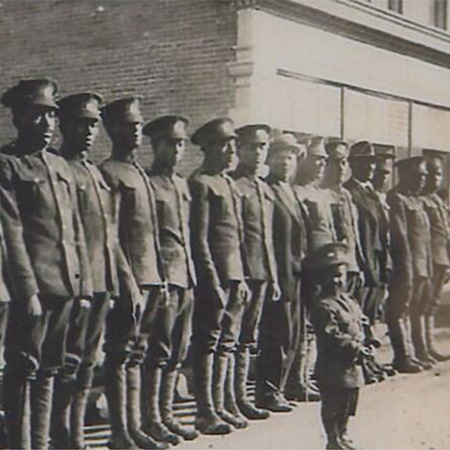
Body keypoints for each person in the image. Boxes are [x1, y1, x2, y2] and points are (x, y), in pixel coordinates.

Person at [0, 79, 92, 449]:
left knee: (51, 370)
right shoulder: (8, 165)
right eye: (38, 115)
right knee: (24, 369)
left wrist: (82, 285)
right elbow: (12, 232)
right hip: (36, 290)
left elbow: (76, 231)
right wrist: (28, 291)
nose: (48, 123)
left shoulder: (60, 165)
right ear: (19, 117)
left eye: (52, 115)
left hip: (66, 286)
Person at [52, 92, 135, 449]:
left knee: (87, 362)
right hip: (75, 284)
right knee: (65, 363)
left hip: (102, 281)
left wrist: (121, 280)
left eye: (92, 125)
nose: (88, 132)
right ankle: (61, 434)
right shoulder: (61, 169)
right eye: (80, 124)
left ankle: (77, 436)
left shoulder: (97, 174)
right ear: (64, 126)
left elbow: (110, 235)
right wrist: (82, 285)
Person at [100, 97, 168, 449]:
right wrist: (127, 283)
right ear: (111, 129)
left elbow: (152, 232)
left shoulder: (139, 172)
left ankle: (136, 426)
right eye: (129, 125)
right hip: (130, 280)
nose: (137, 130)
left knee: (139, 352)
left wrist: (161, 278)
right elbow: (111, 236)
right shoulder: (109, 172)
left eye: (139, 124)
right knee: (120, 352)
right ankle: (119, 432)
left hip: (152, 276)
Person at [189, 118, 250, 434]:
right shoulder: (200, 183)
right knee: (208, 343)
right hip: (215, 278)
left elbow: (237, 237)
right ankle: (205, 411)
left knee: (228, 342)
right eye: (223, 145)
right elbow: (199, 239)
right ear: (208, 149)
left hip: (234, 275)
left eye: (232, 145)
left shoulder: (228, 183)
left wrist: (241, 277)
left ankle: (224, 404)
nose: (230, 151)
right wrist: (211, 281)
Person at [142, 115, 198, 442]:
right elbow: (148, 235)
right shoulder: (149, 183)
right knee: (158, 350)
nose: (177, 150)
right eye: (171, 143)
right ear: (156, 145)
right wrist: (159, 278)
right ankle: (151, 418)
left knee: (178, 349)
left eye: (181, 143)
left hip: (185, 277)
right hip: (163, 278)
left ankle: (166, 413)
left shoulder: (181, 184)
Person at [255, 133, 307, 412]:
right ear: (270, 160)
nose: (286, 162)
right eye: (280, 156)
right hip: (278, 273)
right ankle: (268, 391)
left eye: (291, 157)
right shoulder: (268, 190)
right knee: (276, 334)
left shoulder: (291, 190)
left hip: (297, 273)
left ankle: (286, 386)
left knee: (294, 333)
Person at [232, 124, 279, 420]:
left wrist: (273, 276)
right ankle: (232, 399)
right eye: (252, 147)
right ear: (239, 150)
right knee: (233, 337)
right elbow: (234, 236)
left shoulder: (263, 188)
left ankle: (241, 398)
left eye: (263, 147)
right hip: (244, 273)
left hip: (262, 273)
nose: (259, 152)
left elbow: (267, 239)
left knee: (249, 338)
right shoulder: (234, 186)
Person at [308, 241, 368, 450]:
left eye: (340, 275)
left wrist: (368, 340)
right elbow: (331, 335)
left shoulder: (349, 301)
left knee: (348, 403)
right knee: (333, 404)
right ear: (321, 279)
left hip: (351, 366)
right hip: (333, 367)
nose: (337, 280)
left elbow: (361, 322)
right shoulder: (323, 306)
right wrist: (354, 347)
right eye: (332, 276)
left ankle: (343, 434)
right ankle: (333, 439)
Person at [386, 156, 431, 373]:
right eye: (419, 175)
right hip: (407, 267)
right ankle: (402, 356)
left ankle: (414, 353)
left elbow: (425, 238)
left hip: (422, 266)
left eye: (424, 175)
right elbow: (400, 238)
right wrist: (407, 269)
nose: (423, 179)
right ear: (405, 175)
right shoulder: (397, 199)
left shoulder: (417, 200)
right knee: (399, 310)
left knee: (415, 309)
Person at [322, 141, 364, 298]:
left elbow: (353, 234)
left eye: (344, 162)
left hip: (352, 267)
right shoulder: (321, 194)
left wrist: (358, 265)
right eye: (334, 162)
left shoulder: (346, 194)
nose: (341, 167)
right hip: (335, 270)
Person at [421, 156, 450, 361]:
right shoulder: (421, 200)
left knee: (432, 304)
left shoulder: (438, 200)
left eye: (439, 174)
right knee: (421, 306)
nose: (435, 179)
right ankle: (422, 348)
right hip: (428, 259)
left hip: (441, 258)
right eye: (431, 174)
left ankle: (429, 346)